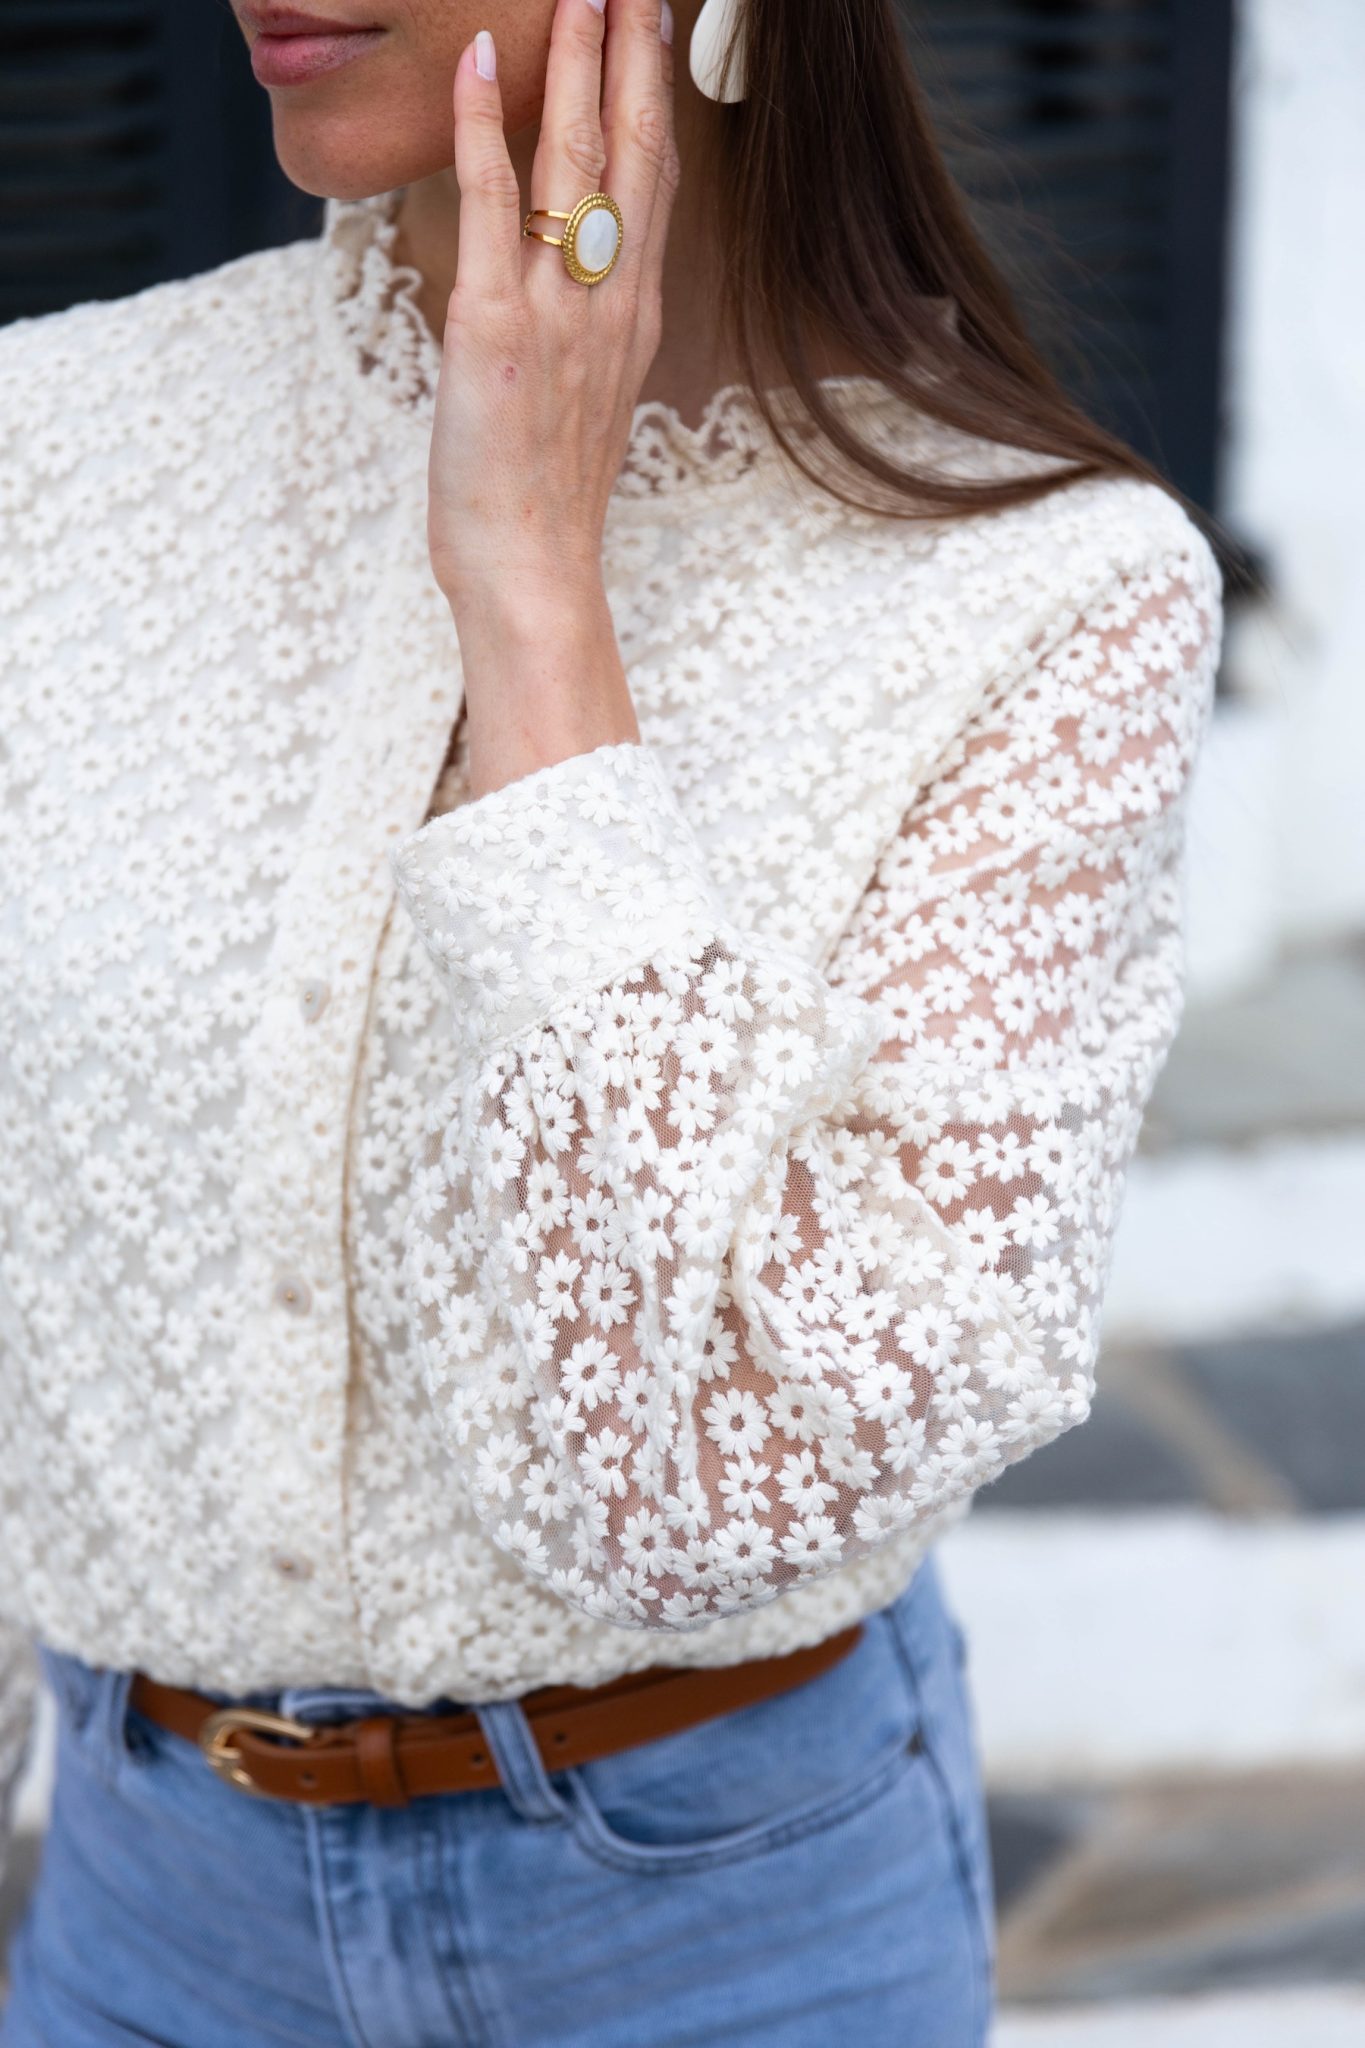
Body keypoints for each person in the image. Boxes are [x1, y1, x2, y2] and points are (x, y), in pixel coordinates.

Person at [0, 0, 1221, 2040]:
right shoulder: (47, 445)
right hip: (150, 1916)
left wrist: (533, 590)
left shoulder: (1051, 601)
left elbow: (700, 1493)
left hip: (716, 1929)